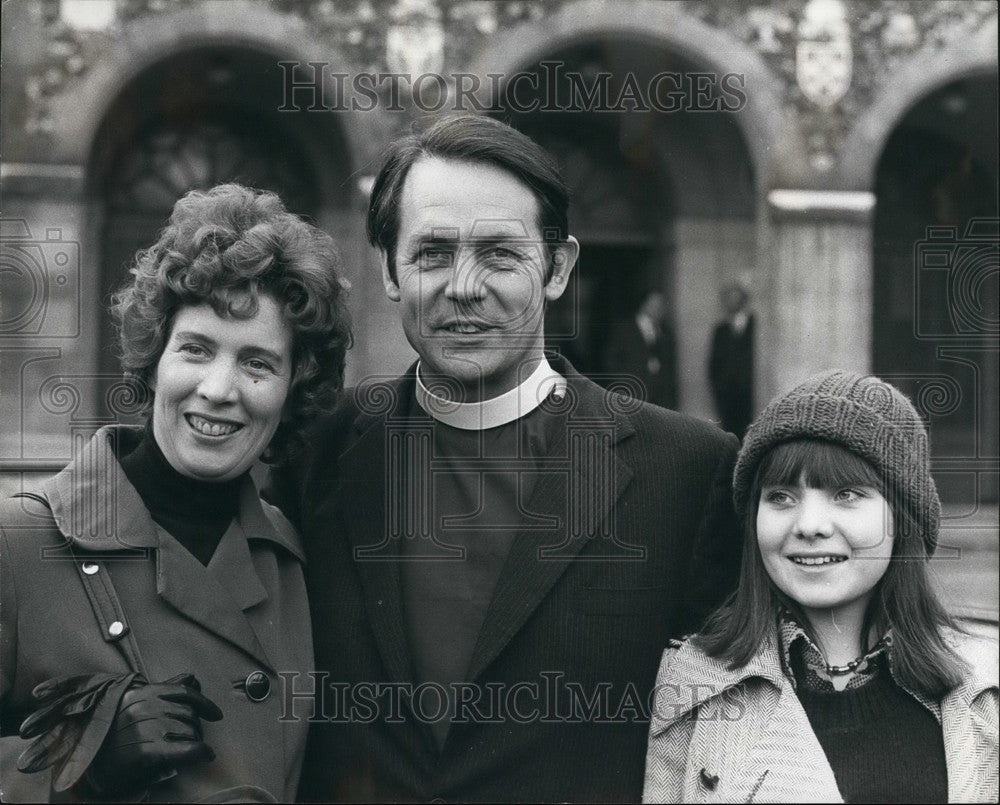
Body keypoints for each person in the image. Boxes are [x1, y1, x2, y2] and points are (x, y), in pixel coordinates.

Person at [267, 114, 741, 802]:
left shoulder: (686, 470)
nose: (464, 284)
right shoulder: (316, 449)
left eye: (499, 253)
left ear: (558, 267)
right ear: (389, 270)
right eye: (432, 252)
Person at [0, 183, 351, 802]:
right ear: (154, 358)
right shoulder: (18, 543)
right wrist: (85, 768)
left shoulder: (292, 556)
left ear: (294, 386)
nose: (218, 388)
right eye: (196, 349)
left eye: (258, 364)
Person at [643, 371, 999, 803]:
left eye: (846, 493)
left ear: (903, 517)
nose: (809, 525)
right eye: (781, 497)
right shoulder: (692, 685)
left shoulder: (984, 685)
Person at [602, 290, 679, 409]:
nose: (659, 309)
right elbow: (611, 360)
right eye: (655, 304)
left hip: (661, 399)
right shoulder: (625, 329)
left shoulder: (666, 331)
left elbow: (669, 367)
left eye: (661, 305)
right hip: (633, 395)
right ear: (644, 304)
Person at [708, 281, 754, 438]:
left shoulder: (755, 324)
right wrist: (719, 388)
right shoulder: (720, 330)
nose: (731, 302)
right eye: (728, 298)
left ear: (743, 299)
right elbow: (713, 364)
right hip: (728, 394)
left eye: (735, 298)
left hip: (750, 392)